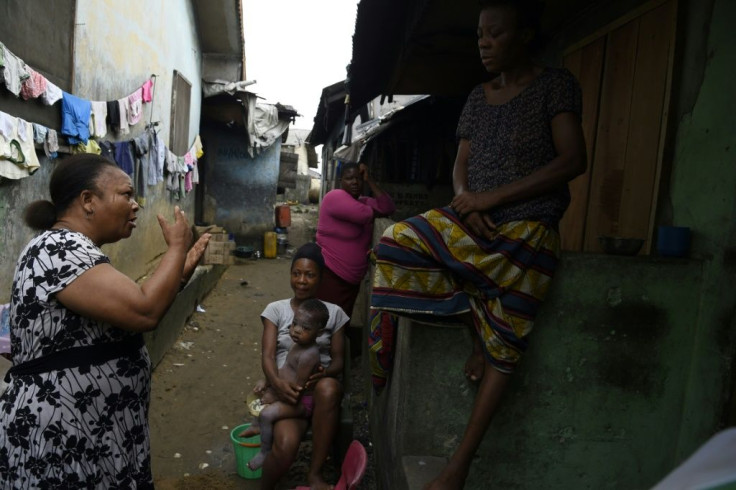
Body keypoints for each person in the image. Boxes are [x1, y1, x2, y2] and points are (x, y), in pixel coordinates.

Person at [369, 0, 587, 488]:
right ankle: (476, 327)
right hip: (474, 225)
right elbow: (460, 163)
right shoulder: (476, 96)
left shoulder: (555, 86)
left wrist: (495, 197)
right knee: (397, 242)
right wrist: (467, 200)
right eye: (480, 35)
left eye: (496, 34)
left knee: (507, 350)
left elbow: (573, 159)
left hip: (529, 232)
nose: (484, 44)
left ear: (525, 35)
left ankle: (458, 465)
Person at [0, 154, 210, 488]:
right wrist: (176, 249)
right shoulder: (59, 247)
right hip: (61, 439)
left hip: (91, 433)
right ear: (87, 201)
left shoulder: (78, 251)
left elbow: (125, 318)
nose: (135, 205)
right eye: (126, 194)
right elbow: (144, 311)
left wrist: (178, 275)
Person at [255, 242, 349, 490]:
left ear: (321, 277)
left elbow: (339, 360)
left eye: (310, 274)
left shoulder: (334, 313)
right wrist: (277, 384)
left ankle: (315, 475)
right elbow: (267, 356)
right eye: (296, 273)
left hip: (319, 393)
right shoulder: (276, 310)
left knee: (328, 388)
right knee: (285, 446)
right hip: (288, 393)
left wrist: (324, 374)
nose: (302, 281)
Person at [240, 298, 330, 471]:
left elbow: (297, 391)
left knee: (267, 414)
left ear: (319, 332)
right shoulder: (298, 344)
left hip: (303, 403)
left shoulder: (309, 356)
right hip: (287, 391)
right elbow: (286, 370)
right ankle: (255, 426)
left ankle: (265, 451)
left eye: (305, 328)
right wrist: (267, 382)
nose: (296, 330)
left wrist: (274, 395)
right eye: (294, 323)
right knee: (259, 395)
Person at [316, 162, 395, 321]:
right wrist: (375, 211)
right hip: (331, 275)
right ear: (341, 181)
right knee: (324, 324)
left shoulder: (363, 201)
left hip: (351, 282)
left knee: (340, 325)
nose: (355, 182)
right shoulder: (334, 197)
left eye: (359, 178)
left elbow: (388, 206)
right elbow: (364, 215)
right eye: (349, 178)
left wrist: (370, 180)